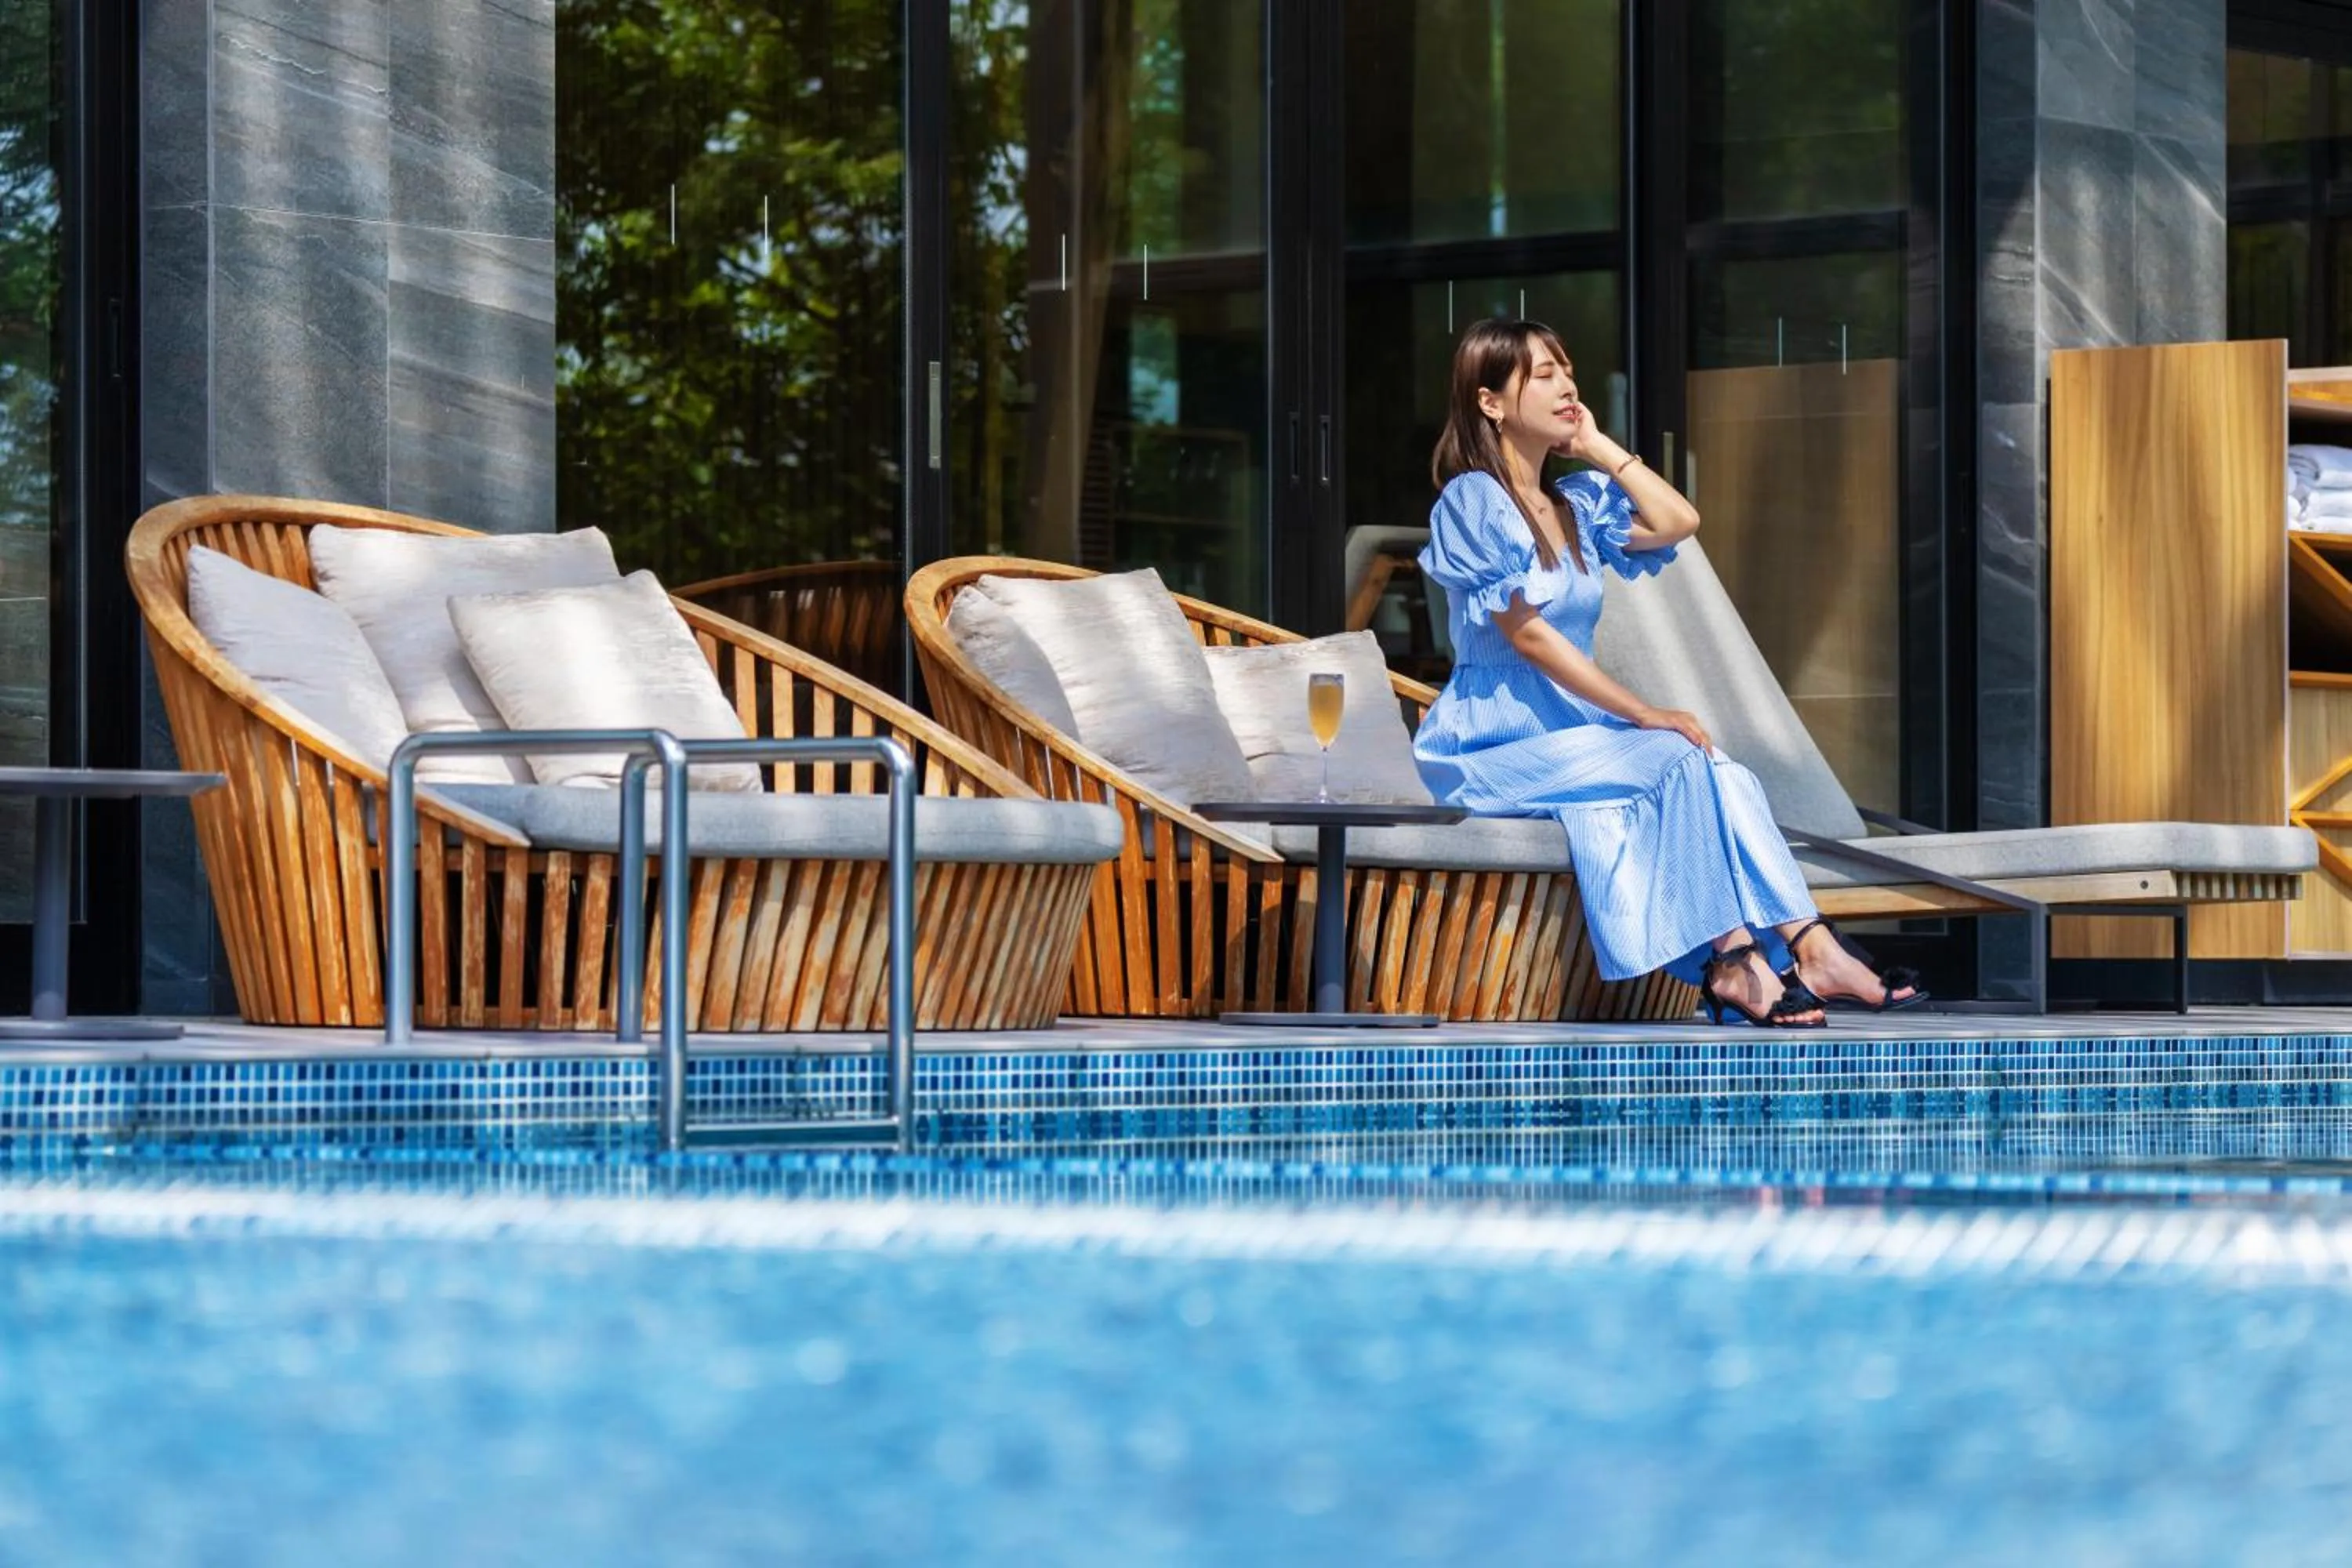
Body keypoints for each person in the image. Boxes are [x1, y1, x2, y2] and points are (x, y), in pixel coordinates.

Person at [1411, 318, 1921, 1027]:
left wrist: (1594, 444)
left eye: (1567, 368)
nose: (1567, 385)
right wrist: (1646, 712)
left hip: (1575, 742)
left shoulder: (1576, 503)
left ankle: (1802, 947)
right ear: (1490, 401)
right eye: (1544, 374)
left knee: (1725, 771)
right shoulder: (1472, 501)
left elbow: (1679, 519)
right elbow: (1528, 637)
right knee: (1679, 753)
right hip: (1490, 748)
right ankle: (1746, 960)